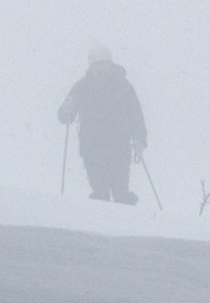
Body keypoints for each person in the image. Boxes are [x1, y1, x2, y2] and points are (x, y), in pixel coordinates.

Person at [57, 45, 147, 203]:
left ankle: (123, 223)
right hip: (92, 148)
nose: (102, 69)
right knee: (100, 193)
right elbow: (65, 117)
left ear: (111, 64)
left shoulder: (123, 86)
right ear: (91, 66)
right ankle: (103, 224)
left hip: (118, 148)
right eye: (97, 65)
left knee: (120, 191)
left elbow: (136, 116)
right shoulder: (82, 87)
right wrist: (66, 111)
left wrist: (140, 140)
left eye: (105, 64)